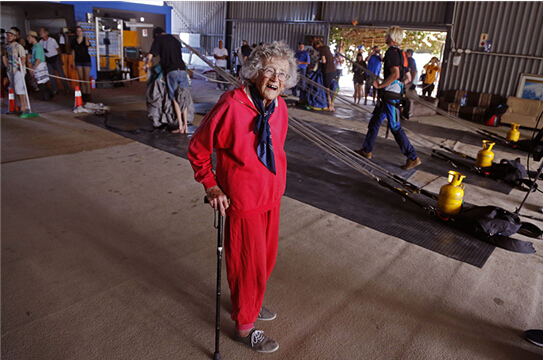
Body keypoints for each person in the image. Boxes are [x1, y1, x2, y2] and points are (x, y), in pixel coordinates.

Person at [188, 41, 297, 354]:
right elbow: (198, 148)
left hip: (271, 197)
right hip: (242, 199)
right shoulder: (232, 104)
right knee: (247, 264)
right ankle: (244, 325)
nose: (276, 78)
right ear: (254, 73)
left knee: (265, 259)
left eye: (282, 73)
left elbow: (275, 149)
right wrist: (211, 185)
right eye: (269, 71)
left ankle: (251, 302)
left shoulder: (281, 107)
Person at [356, 26, 421, 171]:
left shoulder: (391, 52)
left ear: (390, 37)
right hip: (391, 94)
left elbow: (396, 74)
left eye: (386, 34)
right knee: (374, 122)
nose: (385, 36)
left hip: (390, 96)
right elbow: (405, 77)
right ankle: (366, 150)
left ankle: (412, 156)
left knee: (395, 127)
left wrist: (380, 86)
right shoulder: (401, 53)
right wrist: (394, 86)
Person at [143, 27, 190, 134]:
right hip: (182, 70)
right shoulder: (175, 39)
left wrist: (146, 64)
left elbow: (150, 56)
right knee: (184, 97)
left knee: (174, 98)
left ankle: (180, 127)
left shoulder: (158, 39)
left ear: (156, 35)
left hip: (171, 71)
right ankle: (186, 127)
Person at [2, 28, 28, 112]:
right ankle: (14, 105)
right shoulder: (7, 47)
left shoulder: (18, 46)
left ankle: (24, 105)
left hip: (18, 70)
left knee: (19, 87)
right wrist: (7, 68)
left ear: (15, 37)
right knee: (12, 88)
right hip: (11, 70)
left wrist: (21, 67)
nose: (8, 37)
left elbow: (23, 57)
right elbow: (5, 57)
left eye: (11, 35)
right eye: (8, 35)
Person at [39, 27, 70, 95]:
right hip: (48, 59)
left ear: (46, 33)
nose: (40, 33)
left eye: (41, 32)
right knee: (51, 76)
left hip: (55, 58)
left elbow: (58, 50)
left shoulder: (52, 40)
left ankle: (67, 88)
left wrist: (60, 59)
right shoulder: (40, 42)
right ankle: (54, 90)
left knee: (61, 74)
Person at [26, 30, 54, 101]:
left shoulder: (38, 47)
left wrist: (33, 69)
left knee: (41, 82)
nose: (28, 39)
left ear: (33, 38)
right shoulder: (35, 47)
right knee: (42, 81)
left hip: (39, 65)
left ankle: (45, 96)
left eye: (29, 37)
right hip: (38, 64)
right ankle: (50, 93)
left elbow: (38, 59)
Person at [314, 39, 336, 111]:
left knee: (327, 88)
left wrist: (319, 61)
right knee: (331, 87)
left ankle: (329, 104)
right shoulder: (327, 48)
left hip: (327, 70)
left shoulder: (321, 49)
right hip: (333, 69)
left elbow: (324, 61)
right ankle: (332, 104)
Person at [71, 26, 92, 101]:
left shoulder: (85, 39)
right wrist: (73, 61)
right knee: (81, 78)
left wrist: (86, 38)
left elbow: (87, 45)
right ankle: (83, 92)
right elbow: (73, 52)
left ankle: (88, 93)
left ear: (82, 32)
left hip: (86, 60)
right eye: (77, 31)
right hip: (78, 60)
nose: (79, 32)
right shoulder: (74, 41)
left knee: (86, 77)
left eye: (80, 31)